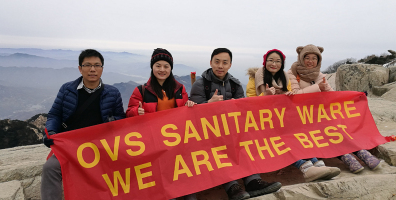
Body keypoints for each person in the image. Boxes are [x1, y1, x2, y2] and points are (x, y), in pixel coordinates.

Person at [190, 48, 282, 200]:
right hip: (207, 134)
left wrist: (258, 100)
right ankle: (232, 186)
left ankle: (252, 181)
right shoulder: (200, 85)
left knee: (246, 141)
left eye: (225, 62)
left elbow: (244, 109)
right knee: (218, 149)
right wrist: (208, 104)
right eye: (217, 62)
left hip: (231, 130)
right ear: (211, 62)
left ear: (230, 65)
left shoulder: (235, 84)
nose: (221, 66)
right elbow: (192, 117)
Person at [41, 49, 126, 200]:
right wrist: (51, 132)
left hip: (102, 146)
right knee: (50, 168)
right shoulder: (67, 90)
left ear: (102, 69)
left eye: (97, 65)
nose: (92, 69)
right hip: (70, 146)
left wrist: (111, 124)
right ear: (80, 68)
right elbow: (55, 115)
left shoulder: (112, 93)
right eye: (87, 65)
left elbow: (120, 118)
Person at [247, 48, 340, 182]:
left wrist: (289, 96)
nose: (274, 64)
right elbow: (248, 104)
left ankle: (316, 163)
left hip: (283, 119)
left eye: (278, 61)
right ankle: (306, 168)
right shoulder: (254, 79)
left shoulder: (285, 78)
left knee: (298, 134)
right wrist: (265, 96)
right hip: (263, 123)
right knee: (283, 139)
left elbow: (290, 102)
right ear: (265, 62)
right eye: (271, 60)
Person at [287, 44, 380, 175]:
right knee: (326, 131)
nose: (310, 61)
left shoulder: (318, 74)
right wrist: (318, 87)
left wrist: (354, 97)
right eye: (307, 57)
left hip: (321, 113)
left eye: (314, 58)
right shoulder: (292, 73)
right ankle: (344, 156)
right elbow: (295, 95)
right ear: (301, 57)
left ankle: (360, 151)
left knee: (339, 126)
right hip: (302, 118)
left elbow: (333, 95)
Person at [126, 48, 196, 200]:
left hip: (176, 138)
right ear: (152, 67)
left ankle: (188, 192)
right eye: (158, 65)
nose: (162, 70)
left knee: (181, 167)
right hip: (154, 140)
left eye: (166, 66)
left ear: (171, 68)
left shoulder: (180, 88)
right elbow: (129, 112)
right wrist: (135, 113)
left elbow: (184, 108)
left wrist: (189, 104)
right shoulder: (141, 90)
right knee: (161, 171)